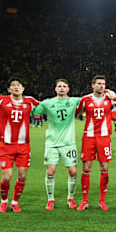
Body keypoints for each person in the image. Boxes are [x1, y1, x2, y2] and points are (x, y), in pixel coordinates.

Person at [75, 75, 116, 211]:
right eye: (98, 83)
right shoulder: (85, 100)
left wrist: (114, 97)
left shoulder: (110, 99)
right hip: (89, 138)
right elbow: (75, 113)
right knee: (86, 169)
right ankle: (85, 200)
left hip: (104, 138)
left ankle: (102, 201)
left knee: (104, 168)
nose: (101, 86)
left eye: (103, 84)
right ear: (93, 85)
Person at [0, 78, 39, 212]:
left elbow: (46, 107)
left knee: (22, 176)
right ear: (9, 89)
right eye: (13, 85)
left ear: (23, 89)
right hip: (6, 145)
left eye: (19, 85)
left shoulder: (30, 101)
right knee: (7, 177)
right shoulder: (2, 100)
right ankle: (3, 201)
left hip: (23, 146)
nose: (16, 87)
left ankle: (15, 202)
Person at [31, 79, 81, 210]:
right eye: (59, 86)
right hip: (52, 143)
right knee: (51, 171)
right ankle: (50, 200)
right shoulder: (48, 103)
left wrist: (107, 93)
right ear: (55, 88)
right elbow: (35, 112)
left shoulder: (74, 101)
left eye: (64, 86)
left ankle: (70, 198)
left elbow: (90, 99)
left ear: (68, 89)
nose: (62, 88)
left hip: (68, 143)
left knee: (73, 171)